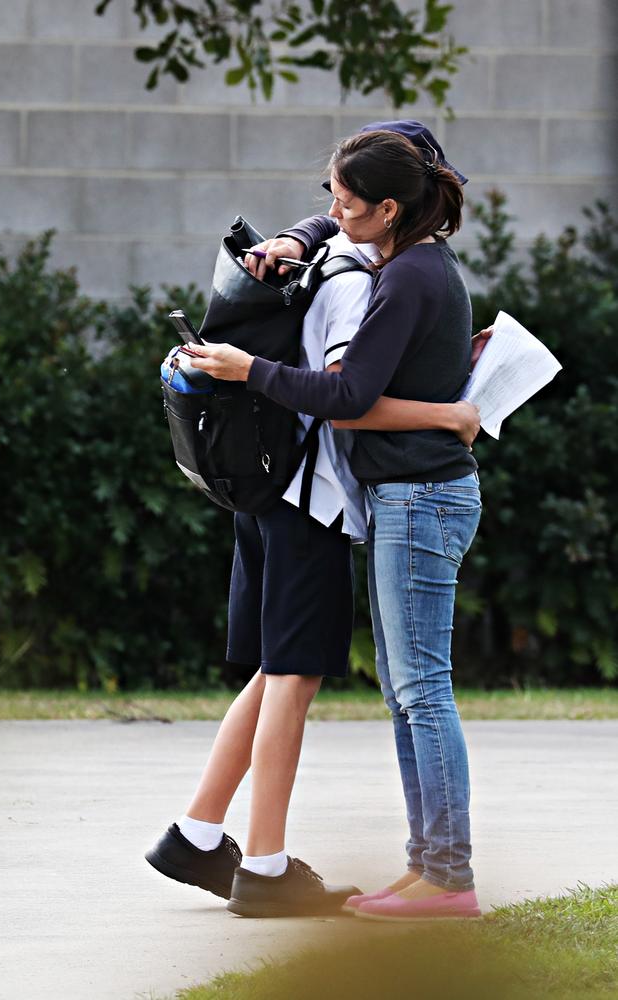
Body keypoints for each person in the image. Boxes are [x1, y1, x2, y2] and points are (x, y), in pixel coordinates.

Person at [145, 122, 484, 919]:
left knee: (280, 673)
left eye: (342, 197)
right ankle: (262, 866)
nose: (329, 207)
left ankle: (199, 835)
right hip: (312, 500)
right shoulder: (353, 267)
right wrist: (450, 411)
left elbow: (344, 390)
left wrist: (255, 359)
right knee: (293, 677)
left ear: (389, 206)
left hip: (272, 493)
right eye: (327, 197)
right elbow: (344, 400)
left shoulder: (363, 269)